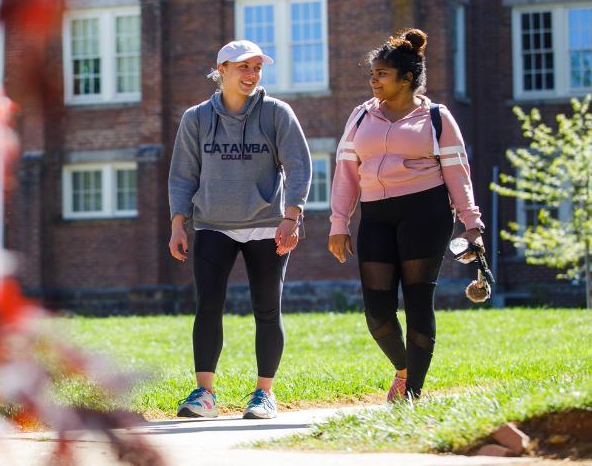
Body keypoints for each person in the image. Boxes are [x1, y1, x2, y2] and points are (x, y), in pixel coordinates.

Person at [328, 29, 484, 401]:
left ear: (407, 78)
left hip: (424, 212)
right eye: (373, 74)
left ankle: (411, 393)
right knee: (377, 311)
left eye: (381, 74)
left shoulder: (436, 117)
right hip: (376, 215)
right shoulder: (361, 115)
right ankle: (403, 368)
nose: (373, 80)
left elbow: (457, 170)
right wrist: (339, 222)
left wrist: (472, 224)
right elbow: (346, 170)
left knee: (417, 301)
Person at [168, 40, 312, 419]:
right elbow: (183, 174)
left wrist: (292, 217)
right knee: (208, 308)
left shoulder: (277, 113)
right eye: (242, 68)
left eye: (257, 69)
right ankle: (204, 395)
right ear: (222, 71)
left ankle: (264, 394)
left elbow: (299, 166)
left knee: (267, 310)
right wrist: (177, 223)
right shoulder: (196, 118)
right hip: (214, 224)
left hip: (267, 226)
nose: (251, 75)